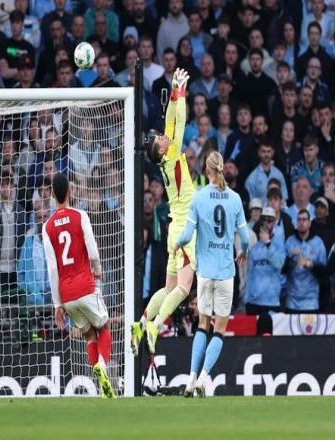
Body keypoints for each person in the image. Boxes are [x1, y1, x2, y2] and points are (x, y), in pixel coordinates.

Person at [130, 68, 195, 356]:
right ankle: (156, 326)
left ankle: (141, 323)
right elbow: (179, 122)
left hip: (174, 229)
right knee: (184, 288)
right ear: (162, 150)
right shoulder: (172, 154)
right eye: (160, 140)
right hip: (184, 229)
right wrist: (180, 93)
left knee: (168, 289)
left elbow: (170, 121)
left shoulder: (166, 155)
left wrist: (176, 92)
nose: (161, 136)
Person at [174, 151, 249, 397]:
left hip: (205, 273)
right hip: (226, 273)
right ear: (222, 169)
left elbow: (187, 235)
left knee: (202, 326)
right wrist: (243, 251)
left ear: (207, 171)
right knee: (219, 329)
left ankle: (190, 379)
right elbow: (245, 238)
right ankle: (203, 378)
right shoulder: (235, 199)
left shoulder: (199, 197)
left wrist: (177, 243)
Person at [43, 172, 115, 399]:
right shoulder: (80, 215)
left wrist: (57, 305)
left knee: (90, 336)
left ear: (52, 194)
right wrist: (97, 269)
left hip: (67, 295)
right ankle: (102, 367)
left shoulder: (47, 227)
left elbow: (52, 269)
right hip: (85, 285)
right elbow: (92, 250)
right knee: (104, 328)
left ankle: (100, 381)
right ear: (70, 192)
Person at [244, 206, 286, 315]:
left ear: (274, 222)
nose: (266, 223)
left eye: (270, 220)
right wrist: (246, 298)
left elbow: (279, 264)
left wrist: (268, 243)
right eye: (264, 220)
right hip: (254, 302)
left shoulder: (280, 244)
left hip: (272, 301)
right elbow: (249, 274)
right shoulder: (254, 248)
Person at [284, 208, 326, 313]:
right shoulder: (289, 241)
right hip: (292, 301)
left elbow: (324, 273)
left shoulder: (318, 242)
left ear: (309, 223)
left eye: (304, 219)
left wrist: (313, 266)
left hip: (311, 301)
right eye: (299, 220)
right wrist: (290, 256)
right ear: (296, 223)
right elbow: (282, 269)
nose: (301, 222)